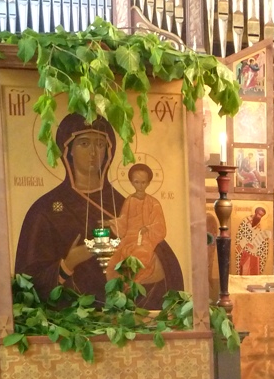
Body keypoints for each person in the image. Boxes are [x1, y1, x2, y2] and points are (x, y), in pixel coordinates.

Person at [15, 114, 183, 308]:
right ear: (68, 150)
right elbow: (27, 286)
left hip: (123, 314)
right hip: (72, 316)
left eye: (100, 144)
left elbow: (167, 265)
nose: (93, 152)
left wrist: (144, 264)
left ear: (108, 151)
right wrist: (67, 264)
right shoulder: (45, 210)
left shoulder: (127, 204)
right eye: (84, 144)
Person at [106, 163, 167, 283]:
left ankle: (132, 285)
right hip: (128, 238)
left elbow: (159, 225)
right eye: (136, 182)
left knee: (139, 256)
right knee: (114, 261)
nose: (140, 185)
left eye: (143, 182)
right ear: (132, 182)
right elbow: (123, 220)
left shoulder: (154, 203)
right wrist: (111, 223)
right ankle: (120, 288)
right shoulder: (129, 201)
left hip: (146, 240)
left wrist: (148, 228)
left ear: (148, 183)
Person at [235, 207, 270, 275]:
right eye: (259, 214)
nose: (259, 217)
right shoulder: (245, 221)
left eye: (261, 216)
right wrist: (247, 243)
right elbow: (240, 234)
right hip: (244, 251)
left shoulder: (260, 225)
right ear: (255, 212)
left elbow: (262, 240)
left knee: (253, 270)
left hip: (254, 252)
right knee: (244, 270)